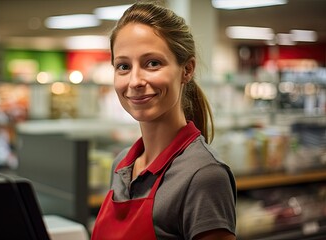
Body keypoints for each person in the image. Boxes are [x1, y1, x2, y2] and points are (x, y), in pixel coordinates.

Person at [91, 2, 236, 240]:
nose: (135, 80)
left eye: (153, 63)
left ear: (187, 69)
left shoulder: (203, 174)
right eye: (124, 66)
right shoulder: (121, 166)